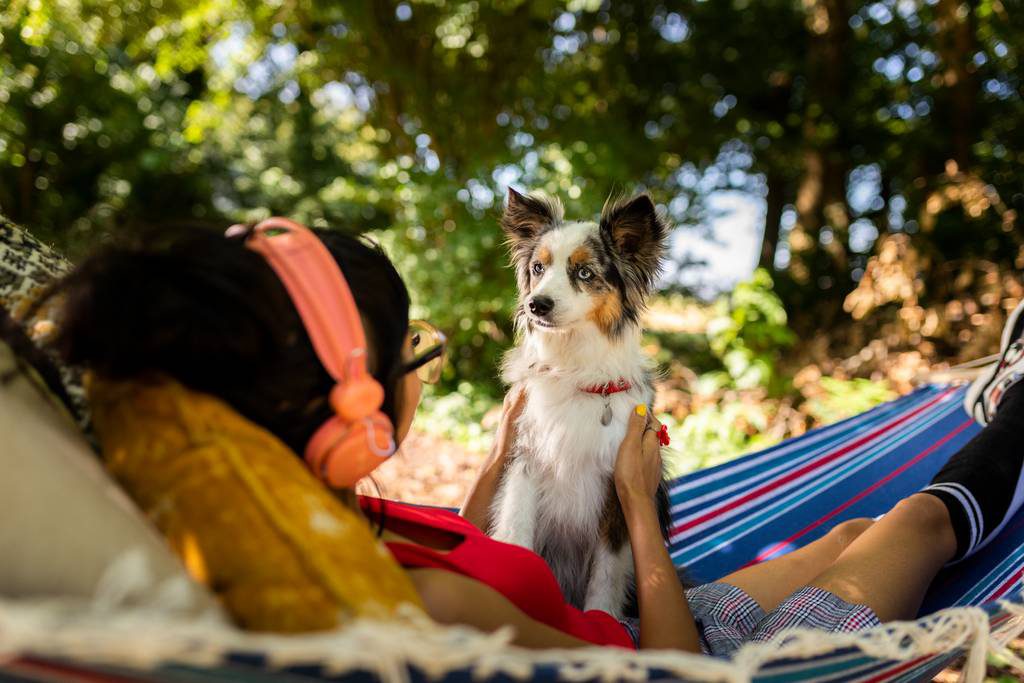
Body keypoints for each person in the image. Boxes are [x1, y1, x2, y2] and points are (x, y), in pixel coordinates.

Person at [21, 217, 1024, 657]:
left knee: (851, 532)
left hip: (645, 621)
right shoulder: (434, 605)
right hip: (700, 656)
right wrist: (638, 498)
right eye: (407, 352)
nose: (426, 365)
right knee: (914, 529)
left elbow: (477, 554)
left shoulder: (306, 512)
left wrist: (498, 456)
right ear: (353, 408)